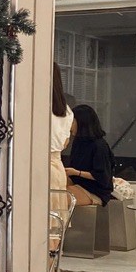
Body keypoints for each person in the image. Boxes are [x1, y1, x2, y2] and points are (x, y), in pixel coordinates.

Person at [66, 104, 115, 207]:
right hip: (78, 183)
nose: (69, 125)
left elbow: (102, 176)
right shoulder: (78, 142)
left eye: (72, 121)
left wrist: (77, 173)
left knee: (60, 197)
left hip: (95, 190)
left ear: (81, 123)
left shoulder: (99, 146)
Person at [50, 63, 75, 248]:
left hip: (42, 168)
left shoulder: (37, 108)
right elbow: (65, 143)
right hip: (58, 168)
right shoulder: (66, 111)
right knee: (55, 223)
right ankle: (51, 263)